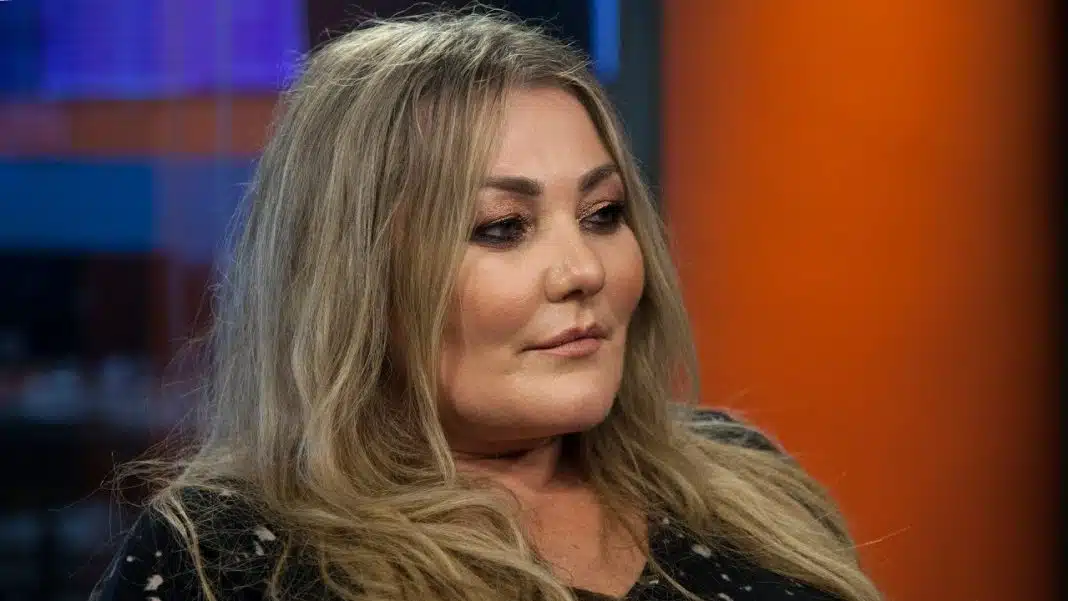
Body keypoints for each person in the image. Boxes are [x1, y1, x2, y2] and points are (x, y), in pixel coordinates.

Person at [93, 11, 881, 601]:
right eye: (503, 227)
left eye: (603, 213)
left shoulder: (743, 481)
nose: (583, 270)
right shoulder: (224, 557)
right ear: (358, 277)